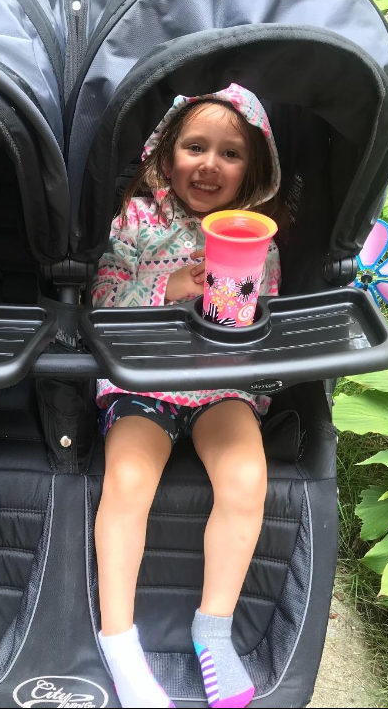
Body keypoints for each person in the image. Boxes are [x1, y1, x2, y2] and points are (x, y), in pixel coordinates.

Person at [91, 83, 282, 709]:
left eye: (230, 154)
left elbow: (265, 319)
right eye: (195, 147)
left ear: (250, 170)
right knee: (127, 478)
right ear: (166, 156)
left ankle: (214, 628)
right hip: (145, 379)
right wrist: (168, 283)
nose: (209, 164)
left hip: (220, 385)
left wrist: (253, 311)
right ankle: (120, 641)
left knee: (247, 477)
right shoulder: (137, 219)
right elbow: (104, 301)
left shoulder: (257, 240)